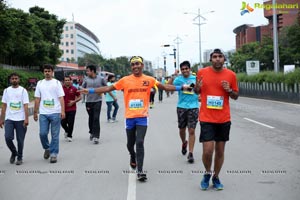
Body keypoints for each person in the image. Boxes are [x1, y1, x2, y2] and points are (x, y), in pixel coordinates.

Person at [80, 56, 191, 182]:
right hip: (130, 118)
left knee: (140, 142)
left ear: (142, 65)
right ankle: (132, 156)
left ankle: (140, 171)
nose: (135, 66)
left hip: (142, 117)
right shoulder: (125, 80)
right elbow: (107, 88)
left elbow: (164, 87)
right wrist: (90, 90)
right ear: (131, 67)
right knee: (130, 144)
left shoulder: (149, 79)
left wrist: (181, 88)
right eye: (133, 64)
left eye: (137, 64)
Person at [194, 49, 239, 190]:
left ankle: (216, 176)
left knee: (220, 151)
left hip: (223, 118)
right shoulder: (202, 73)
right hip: (206, 118)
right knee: (208, 151)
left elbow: (236, 95)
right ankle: (207, 173)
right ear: (211, 59)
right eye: (215, 57)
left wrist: (229, 90)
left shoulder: (231, 75)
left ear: (224, 59)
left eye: (220, 57)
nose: (217, 59)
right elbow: (196, 91)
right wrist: (197, 87)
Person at [34, 64, 65, 164]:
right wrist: (35, 112)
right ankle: (47, 148)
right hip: (43, 113)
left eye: (49, 71)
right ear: (43, 72)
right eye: (45, 71)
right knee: (42, 133)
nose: (47, 73)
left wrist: (62, 111)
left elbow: (61, 98)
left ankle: (53, 154)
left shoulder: (56, 83)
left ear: (52, 72)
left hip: (55, 112)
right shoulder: (40, 83)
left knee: (55, 135)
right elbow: (37, 98)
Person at [169, 61, 199, 163]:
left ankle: (190, 153)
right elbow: (169, 88)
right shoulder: (178, 79)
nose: (185, 70)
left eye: (186, 68)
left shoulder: (195, 79)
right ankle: (184, 142)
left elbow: (201, 90)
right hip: (181, 107)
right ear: (181, 71)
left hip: (193, 107)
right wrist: (173, 76)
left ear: (190, 69)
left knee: (191, 130)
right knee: (182, 129)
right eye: (183, 69)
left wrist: (200, 96)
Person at [0, 73, 29, 165]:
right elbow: (4, 105)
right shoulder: (6, 91)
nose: (14, 80)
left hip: (20, 119)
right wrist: (1, 119)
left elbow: (25, 105)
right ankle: (14, 152)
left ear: (19, 79)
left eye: (16, 78)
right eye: (12, 79)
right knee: (8, 137)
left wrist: (26, 119)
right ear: (10, 80)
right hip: (9, 118)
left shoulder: (23, 91)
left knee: (20, 140)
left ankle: (19, 157)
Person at [81, 64, 107, 144]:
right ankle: (91, 132)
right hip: (89, 102)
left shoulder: (101, 79)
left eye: (87, 71)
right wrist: (83, 99)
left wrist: (102, 92)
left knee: (96, 118)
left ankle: (96, 136)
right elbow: (82, 89)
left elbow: (106, 88)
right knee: (91, 118)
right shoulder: (86, 79)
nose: (87, 72)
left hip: (97, 101)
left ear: (92, 71)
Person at [61, 76, 82, 142]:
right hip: (63, 109)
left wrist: (74, 101)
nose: (67, 81)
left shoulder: (74, 88)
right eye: (66, 80)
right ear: (63, 81)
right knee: (62, 122)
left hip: (72, 109)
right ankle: (67, 131)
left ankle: (70, 136)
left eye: (68, 80)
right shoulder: (60, 89)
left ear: (71, 81)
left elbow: (79, 97)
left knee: (71, 123)